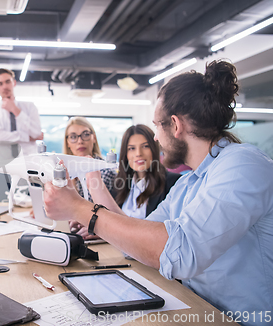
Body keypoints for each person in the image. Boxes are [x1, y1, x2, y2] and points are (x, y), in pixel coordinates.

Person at [43, 60, 273, 325]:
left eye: (156, 127)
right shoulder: (188, 184)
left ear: (175, 125)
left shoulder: (242, 164)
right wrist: (89, 207)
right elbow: (139, 240)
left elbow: (181, 253)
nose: (155, 139)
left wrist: (81, 209)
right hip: (198, 311)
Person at [71, 124, 180, 241]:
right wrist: (98, 227)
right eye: (131, 148)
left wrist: (106, 229)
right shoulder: (119, 184)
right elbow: (113, 220)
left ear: (154, 149)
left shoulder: (173, 183)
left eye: (145, 146)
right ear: (126, 154)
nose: (138, 153)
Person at [0, 68, 43, 157]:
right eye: (0, 84)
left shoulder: (30, 107)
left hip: (30, 162)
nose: (4, 86)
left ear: (14, 83)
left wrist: (16, 110)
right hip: (6, 163)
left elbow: (37, 133)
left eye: (7, 81)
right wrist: (27, 137)